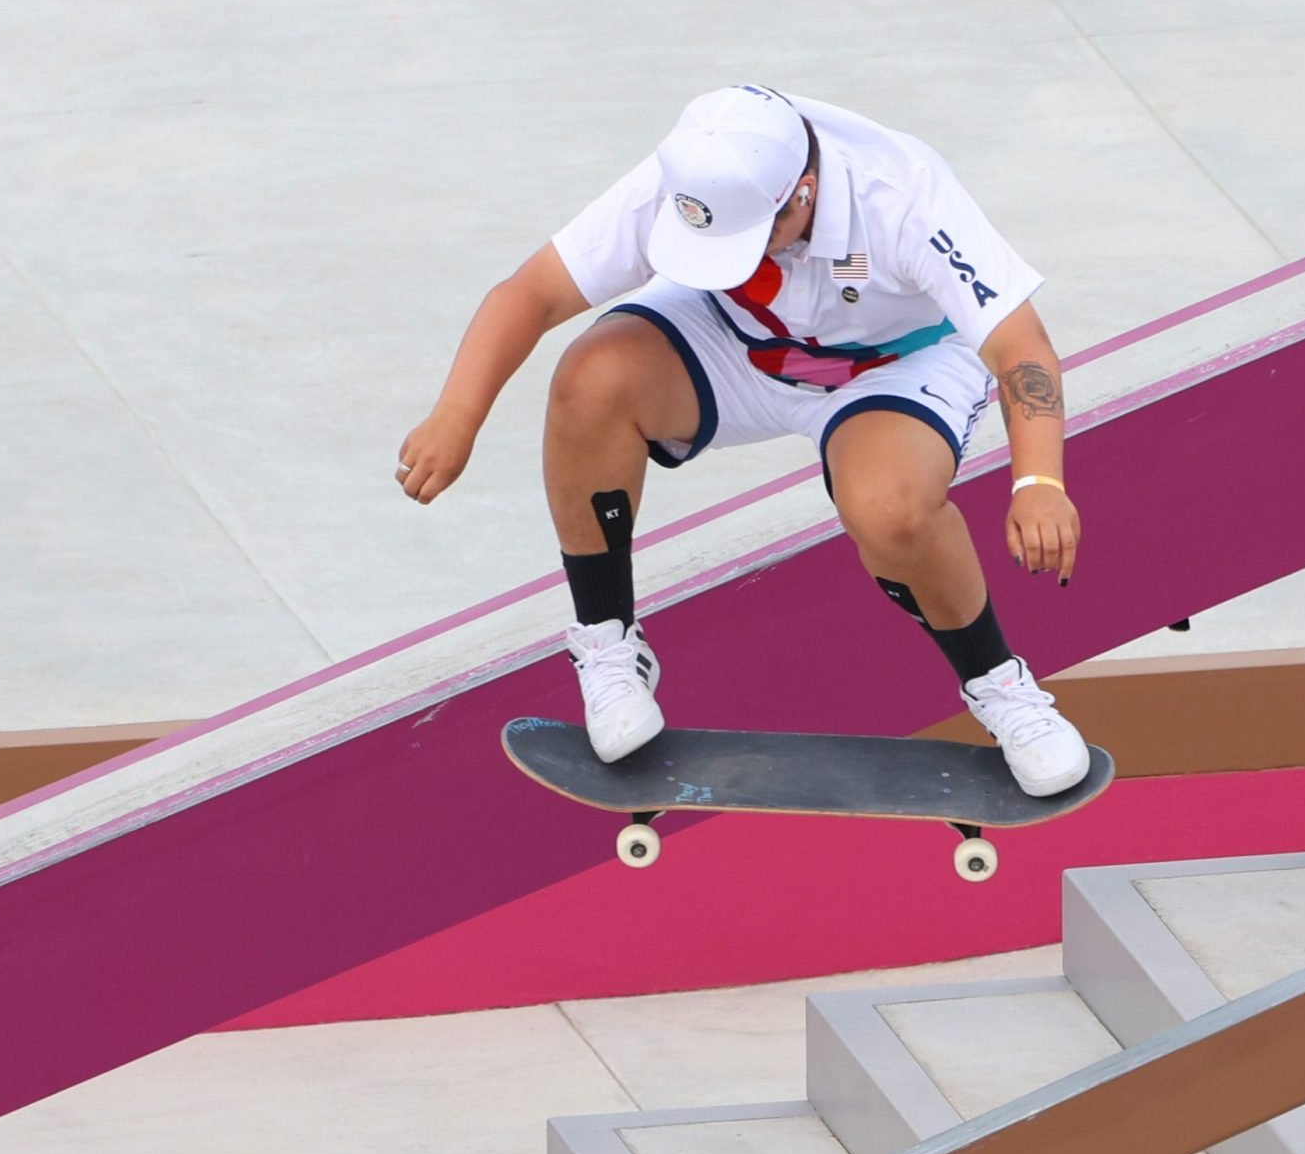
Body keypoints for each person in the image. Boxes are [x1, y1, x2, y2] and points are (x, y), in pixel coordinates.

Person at [395, 83, 1090, 795]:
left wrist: (1039, 482)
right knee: (591, 379)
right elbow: (532, 292)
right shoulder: (696, 172)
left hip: (893, 363)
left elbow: (1022, 348)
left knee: (890, 509)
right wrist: (459, 412)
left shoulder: (903, 195)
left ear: (803, 196)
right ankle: (608, 649)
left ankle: (1004, 691)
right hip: (739, 340)